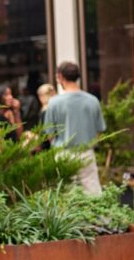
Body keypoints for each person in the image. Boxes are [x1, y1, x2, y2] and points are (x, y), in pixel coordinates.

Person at [43, 62, 106, 194]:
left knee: (67, 196)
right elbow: (100, 130)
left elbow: (49, 134)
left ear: (60, 77)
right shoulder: (93, 100)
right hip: (86, 152)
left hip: (64, 154)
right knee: (92, 194)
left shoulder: (54, 102)